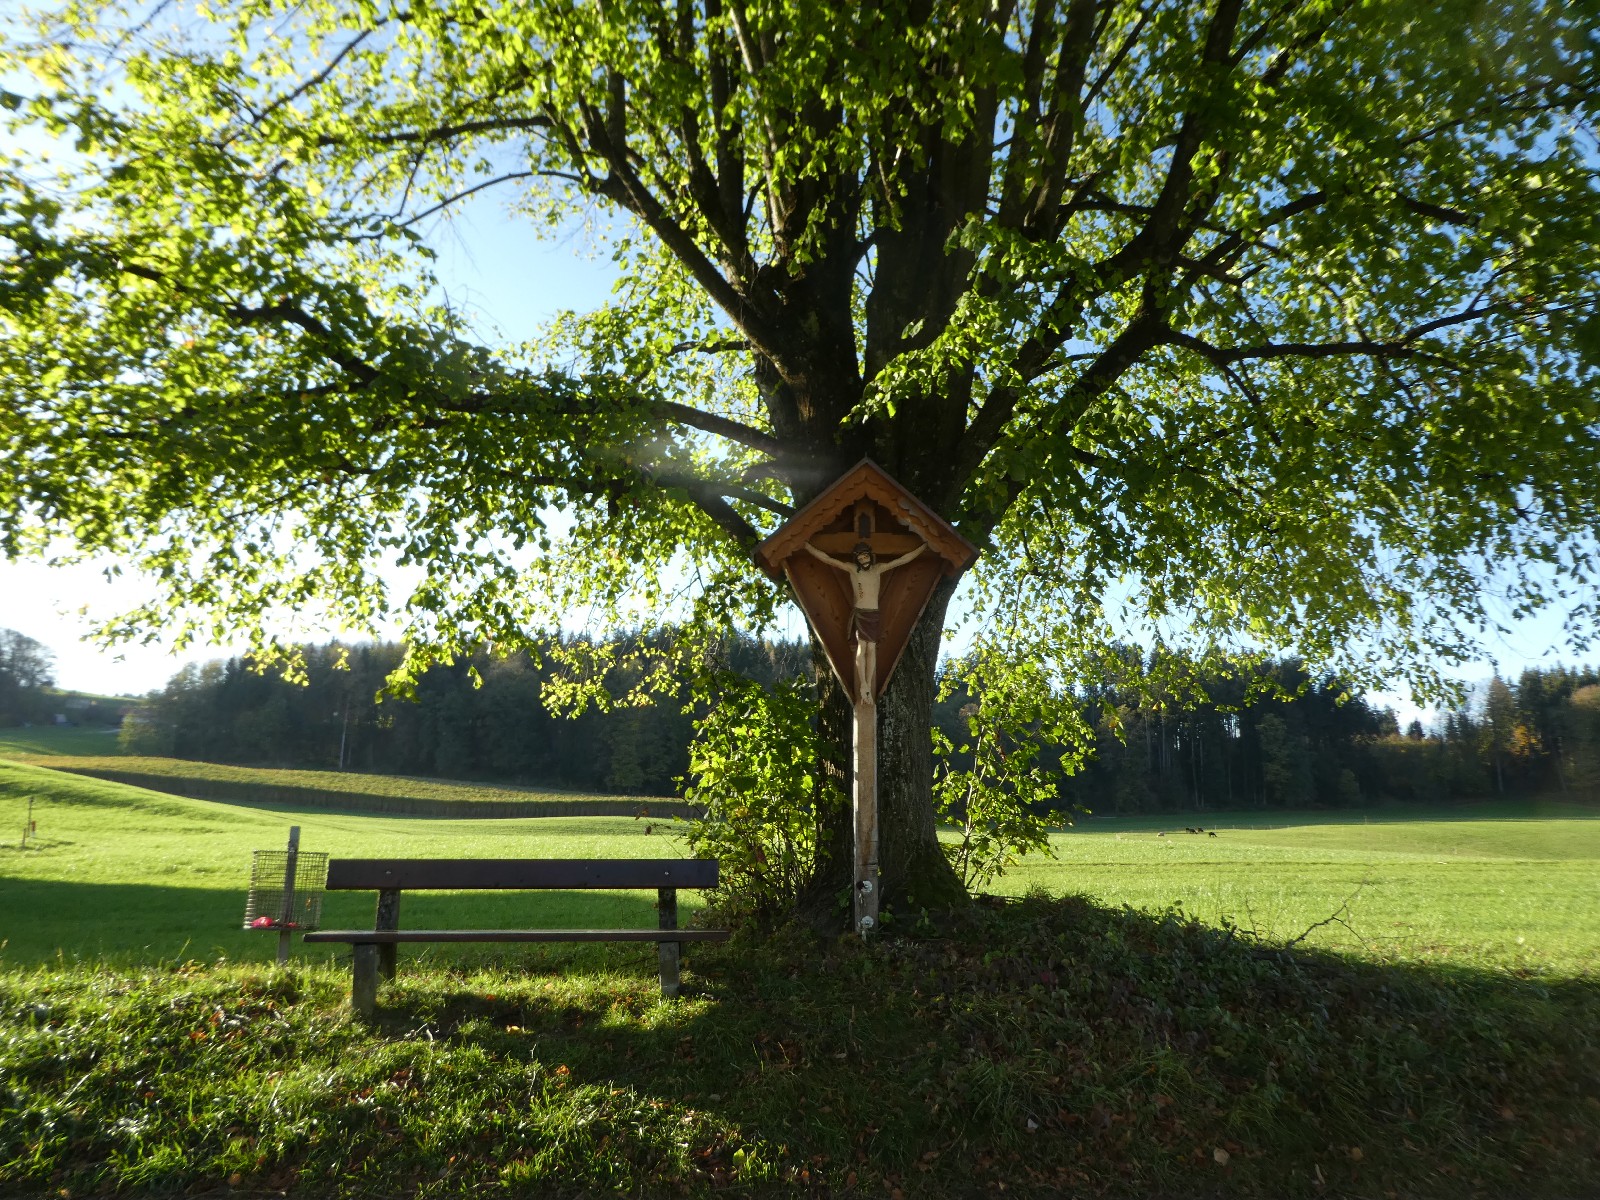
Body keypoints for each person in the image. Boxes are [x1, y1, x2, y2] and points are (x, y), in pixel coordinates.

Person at [802, 538, 927, 700]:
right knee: (862, 647)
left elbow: (902, 560)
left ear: (870, 556)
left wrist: (922, 548)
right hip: (861, 613)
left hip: (873, 614)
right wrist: (808, 547)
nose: (863, 560)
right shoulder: (853, 570)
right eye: (860, 558)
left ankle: (868, 682)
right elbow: (828, 559)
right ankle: (863, 684)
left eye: (865, 556)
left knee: (871, 649)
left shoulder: (878, 569)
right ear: (857, 559)